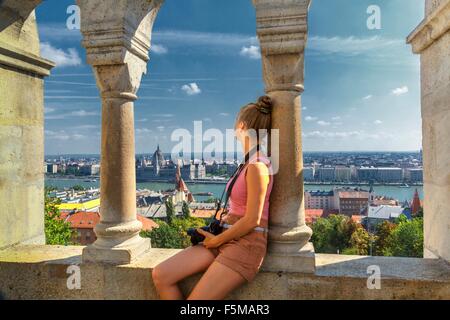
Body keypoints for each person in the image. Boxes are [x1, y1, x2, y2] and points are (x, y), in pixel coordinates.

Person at [152, 95, 274, 300]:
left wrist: (218, 240)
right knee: (161, 275)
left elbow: (252, 219)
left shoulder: (258, 167)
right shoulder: (248, 162)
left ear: (242, 126)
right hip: (227, 236)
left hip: (245, 245)